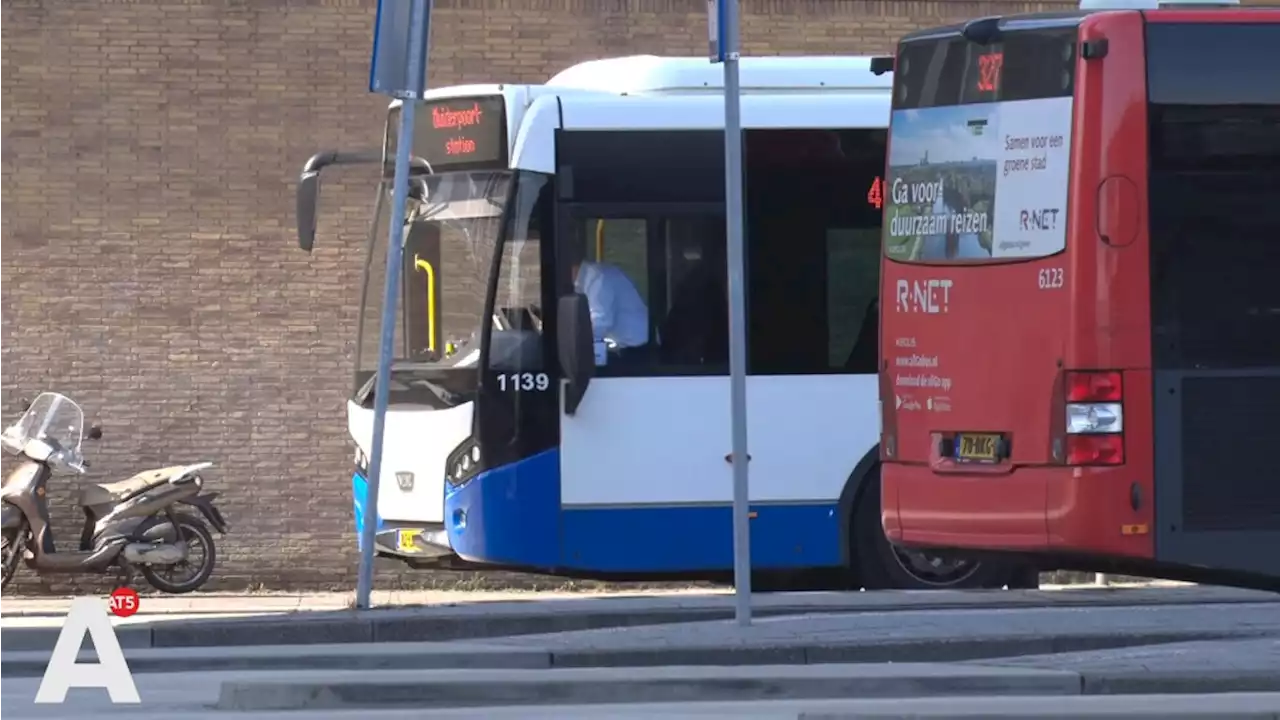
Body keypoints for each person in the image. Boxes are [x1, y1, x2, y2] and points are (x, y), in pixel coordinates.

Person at [570, 243, 650, 366]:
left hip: (637, 350)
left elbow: (601, 321)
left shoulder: (598, 278)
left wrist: (569, 334)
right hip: (622, 345)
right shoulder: (585, 279)